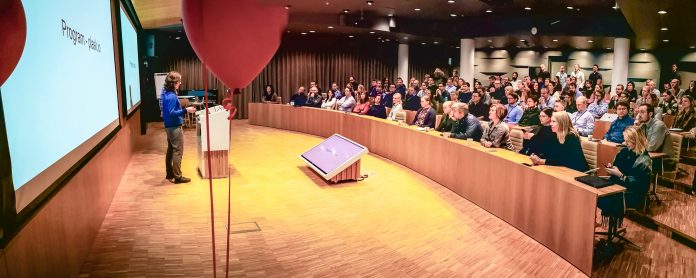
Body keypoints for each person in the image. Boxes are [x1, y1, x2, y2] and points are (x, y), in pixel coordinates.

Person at [600, 126, 652, 215]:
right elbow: (618, 168)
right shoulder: (623, 151)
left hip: (632, 194)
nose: (625, 143)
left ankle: (612, 225)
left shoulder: (644, 160)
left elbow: (640, 186)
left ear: (636, 140)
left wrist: (621, 175)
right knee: (596, 192)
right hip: (618, 187)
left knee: (606, 197)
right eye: (625, 140)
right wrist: (612, 168)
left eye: (628, 141)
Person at [161, 71, 195, 183]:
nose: (180, 83)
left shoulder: (166, 93)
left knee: (171, 150)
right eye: (179, 81)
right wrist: (186, 110)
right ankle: (178, 177)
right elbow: (171, 112)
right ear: (174, 83)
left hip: (169, 126)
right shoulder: (171, 96)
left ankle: (169, 173)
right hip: (174, 127)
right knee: (177, 151)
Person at [635, 104, 673, 172]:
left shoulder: (658, 125)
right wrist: (636, 125)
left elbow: (651, 147)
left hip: (662, 160)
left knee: (632, 161)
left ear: (650, 114)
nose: (639, 115)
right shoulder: (643, 124)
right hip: (649, 155)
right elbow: (632, 139)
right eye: (638, 112)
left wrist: (636, 146)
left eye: (642, 112)